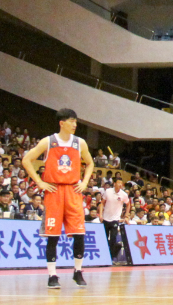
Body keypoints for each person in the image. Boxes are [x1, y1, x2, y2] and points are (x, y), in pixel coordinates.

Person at [22, 108, 95, 290]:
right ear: (62, 123)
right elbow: (26, 160)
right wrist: (40, 182)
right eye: (72, 121)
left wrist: (84, 181)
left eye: (76, 121)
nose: (75, 125)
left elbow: (90, 163)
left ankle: (77, 271)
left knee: (79, 234)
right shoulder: (48, 141)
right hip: (53, 191)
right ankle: (52, 275)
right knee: (52, 236)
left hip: (73, 191)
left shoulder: (80, 143)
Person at [100, 180, 131, 264]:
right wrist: (100, 215)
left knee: (113, 238)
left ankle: (112, 257)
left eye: (121, 183)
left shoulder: (124, 194)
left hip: (115, 219)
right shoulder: (108, 191)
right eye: (118, 183)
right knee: (104, 238)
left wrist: (126, 216)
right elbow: (102, 203)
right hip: (106, 218)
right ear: (114, 184)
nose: (119, 185)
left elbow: (128, 204)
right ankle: (104, 257)